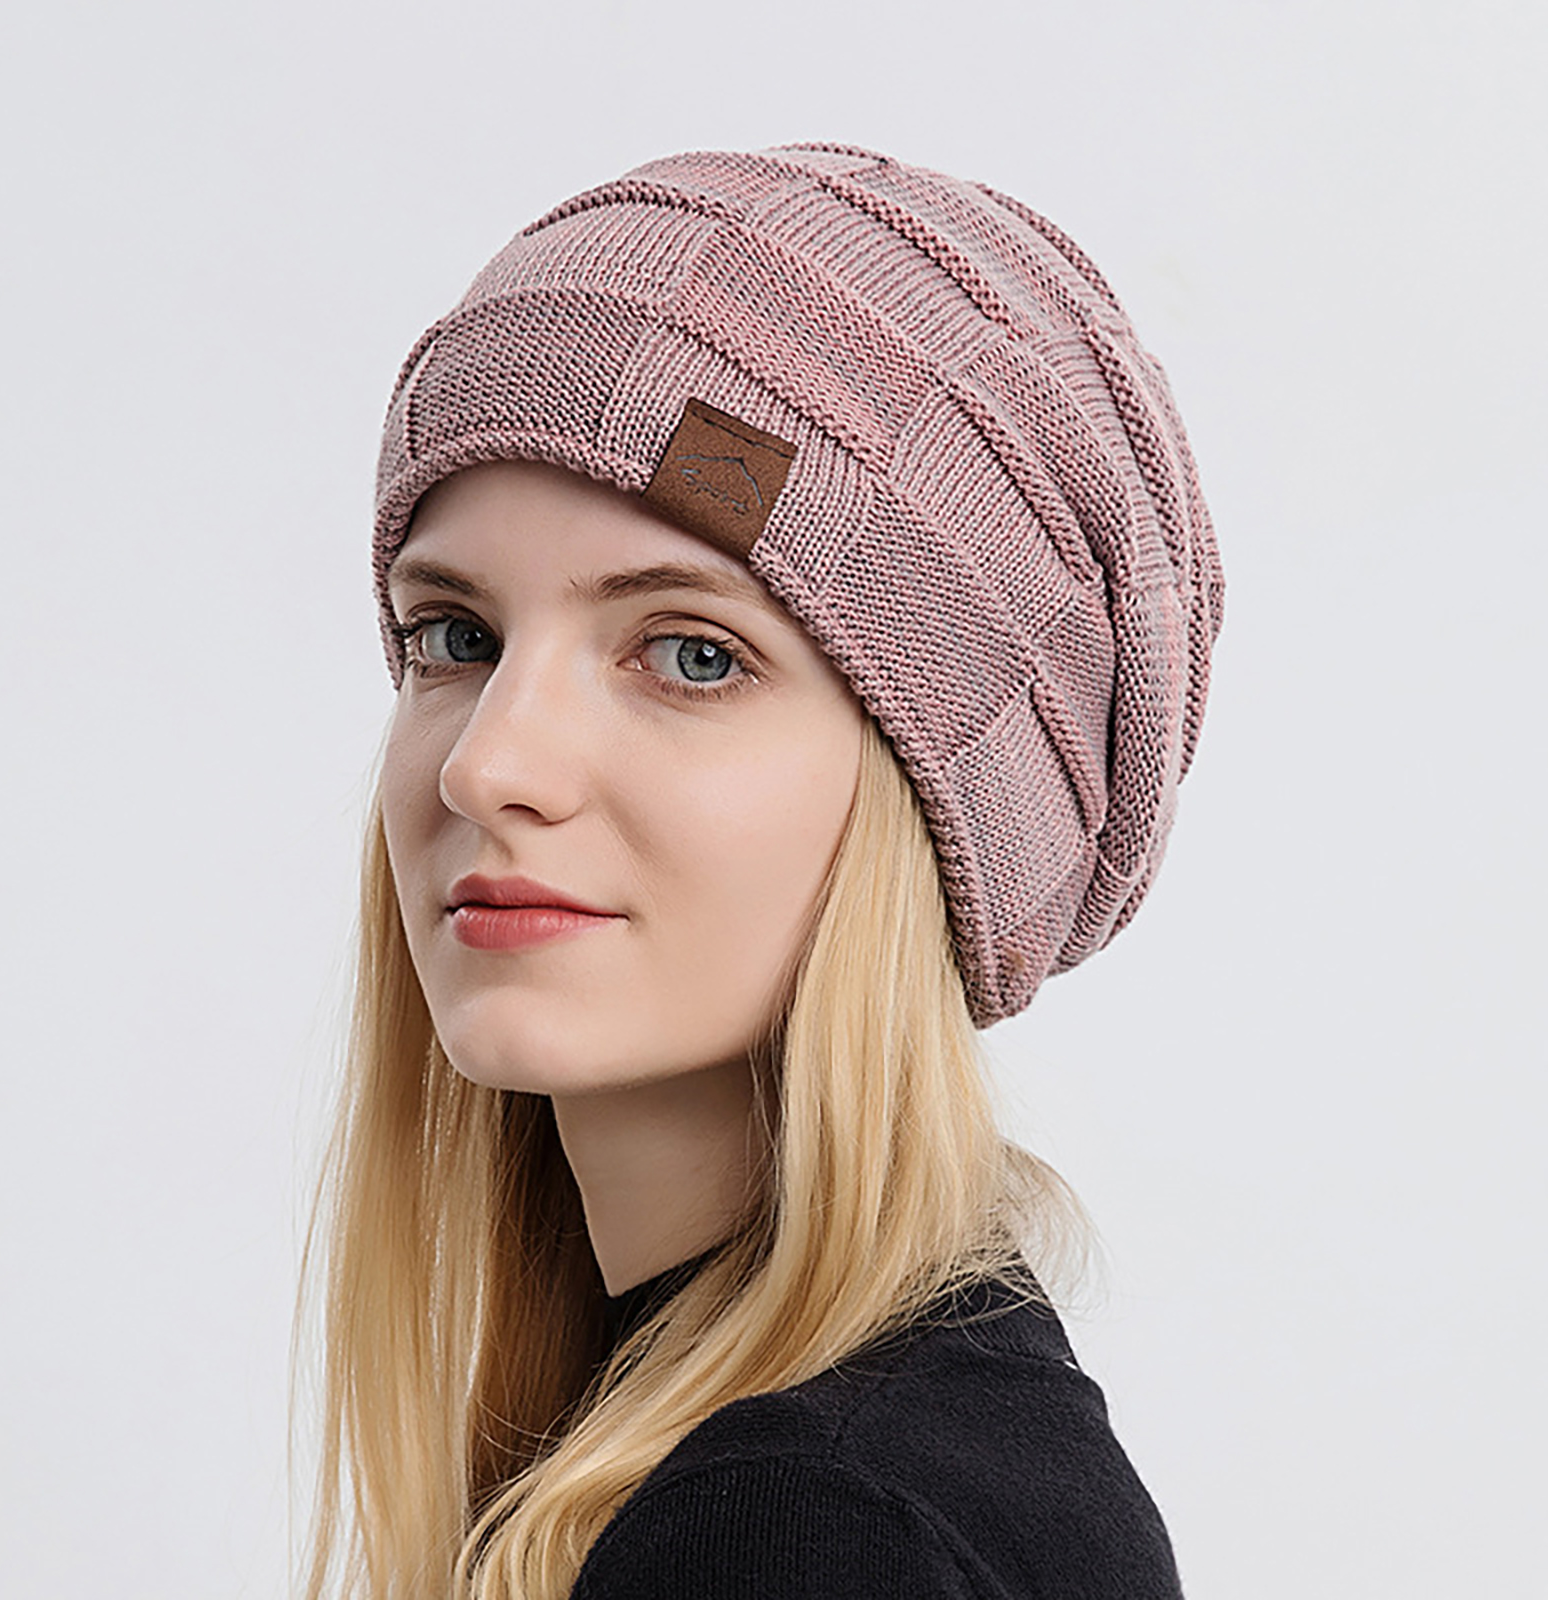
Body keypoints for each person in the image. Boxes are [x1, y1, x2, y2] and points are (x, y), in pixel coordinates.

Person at [297, 142, 1224, 1600]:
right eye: (456, 638)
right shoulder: (875, 1461)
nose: (488, 765)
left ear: (939, 806)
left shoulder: (809, 1530)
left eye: (691, 655)